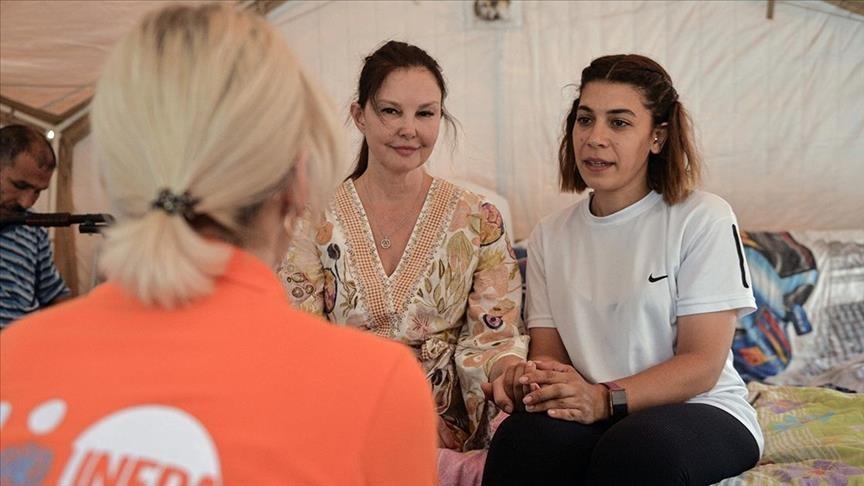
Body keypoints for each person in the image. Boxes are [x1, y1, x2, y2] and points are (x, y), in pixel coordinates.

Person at [0, 5, 437, 485]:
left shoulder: (12, 358)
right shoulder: (373, 387)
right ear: (296, 181)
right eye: (391, 111)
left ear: (112, 175)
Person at [482, 54, 762, 485]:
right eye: (585, 119)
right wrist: (531, 381)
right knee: (521, 440)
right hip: (595, 411)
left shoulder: (700, 217)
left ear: (657, 137)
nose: (594, 138)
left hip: (700, 410)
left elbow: (702, 362)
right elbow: (550, 355)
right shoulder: (549, 235)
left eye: (619, 122)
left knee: (636, 450)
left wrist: (603, 398)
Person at [280, 40, 529, 453]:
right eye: (391, 111)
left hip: (446, 425)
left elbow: (492, 338)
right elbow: (301, 342)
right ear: (360, 116)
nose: (409, 129)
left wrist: (509, 372)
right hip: (343, 414)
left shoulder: (477, 220)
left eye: (425, 114)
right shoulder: (312, 220)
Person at [0, 124, 71, 328]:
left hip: (25, 350)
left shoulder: (34, 226)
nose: (27, 202)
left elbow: (54, 295)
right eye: (20, 185)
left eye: (38, 191)